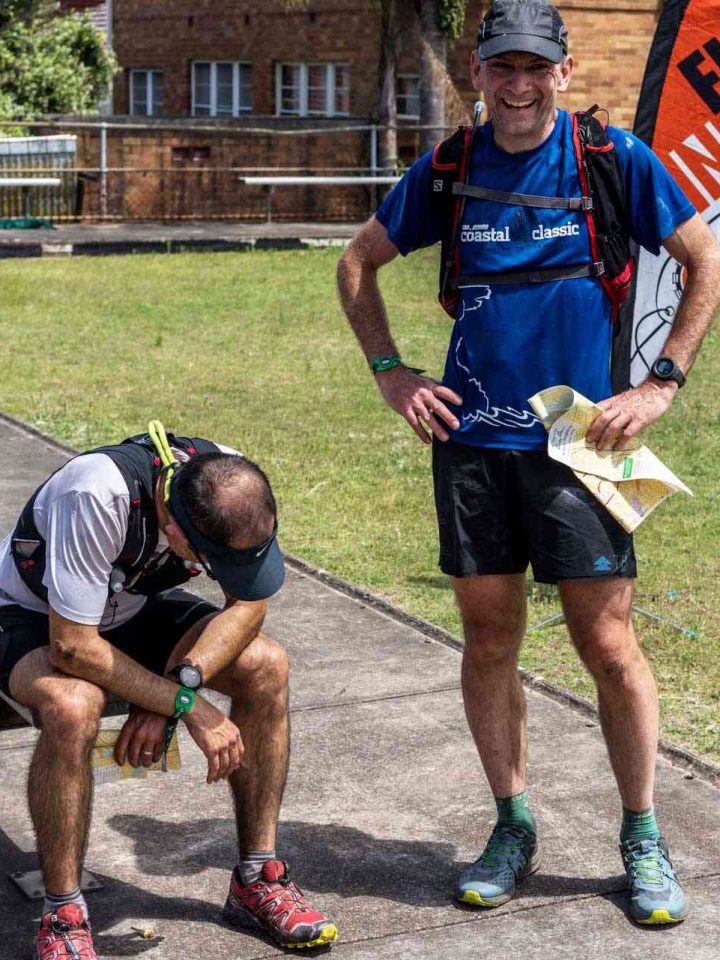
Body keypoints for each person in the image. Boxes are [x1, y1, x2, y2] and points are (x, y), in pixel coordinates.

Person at [337, 0, 720, 926]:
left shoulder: (613, 159)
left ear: (563, 69)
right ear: (478, 71)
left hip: (586, 438)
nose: (517, 85)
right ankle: (512, 824)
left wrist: (661, 384)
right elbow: (358, 261)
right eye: (500, 67)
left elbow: (705, 259)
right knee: (489, 640)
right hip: (472, 442)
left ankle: (641, 833)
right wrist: (392, 374)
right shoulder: (451, 167)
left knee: (609, 645)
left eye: (533, 68)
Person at [0, 423, 338, 958]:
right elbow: (72, 648)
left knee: (267, 665)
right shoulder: (95, 493)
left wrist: (174, 686)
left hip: (130, 611)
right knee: (73, 704)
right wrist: (189, 707)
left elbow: (248, 604)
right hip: (33, 616)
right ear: (177, 534)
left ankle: (258, 878)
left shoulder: (229, 479)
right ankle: (63, 910)